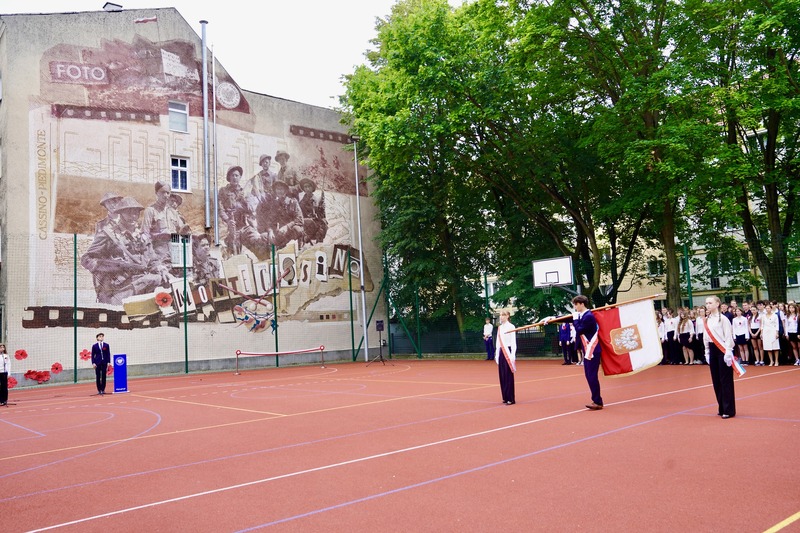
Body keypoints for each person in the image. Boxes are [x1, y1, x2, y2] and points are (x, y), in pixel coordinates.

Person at [550, 295, 603, 410]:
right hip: (588, 349)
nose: (574, 307)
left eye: (575, 304)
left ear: (582, 304)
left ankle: (597, 401)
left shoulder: (588, 316)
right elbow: (567, 318)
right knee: (589, 376)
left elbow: (579, 330)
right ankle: (596, 399)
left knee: (592, 376)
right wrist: (550, 319)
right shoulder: (581, 315)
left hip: (593, 350)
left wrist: (574, 319)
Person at [702, 296, 736, 418]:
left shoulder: (724, 319)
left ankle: (729, 409)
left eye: (710, 302)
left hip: (723, 350)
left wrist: (728, 351)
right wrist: (706, 351)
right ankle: (721, 407)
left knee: (725, 380)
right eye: (706, 303)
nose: (708, 305)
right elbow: (705, 336)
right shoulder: (707, 319)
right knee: (716, 380)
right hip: (712, 349)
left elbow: (728, 336)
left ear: (717, 304)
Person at [494, 310, 517, 405]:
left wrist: (512, 354)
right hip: (501, 352)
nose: (501, 317)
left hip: (508, 351)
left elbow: (513, 342)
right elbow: (498, 342)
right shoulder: (499, 328)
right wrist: (497, 354)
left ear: (507, 316)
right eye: (500, 315)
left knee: (508, 376)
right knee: (502, 375)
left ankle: (511, 398)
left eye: (503, 315)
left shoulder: (511, 327)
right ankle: (505, 396)